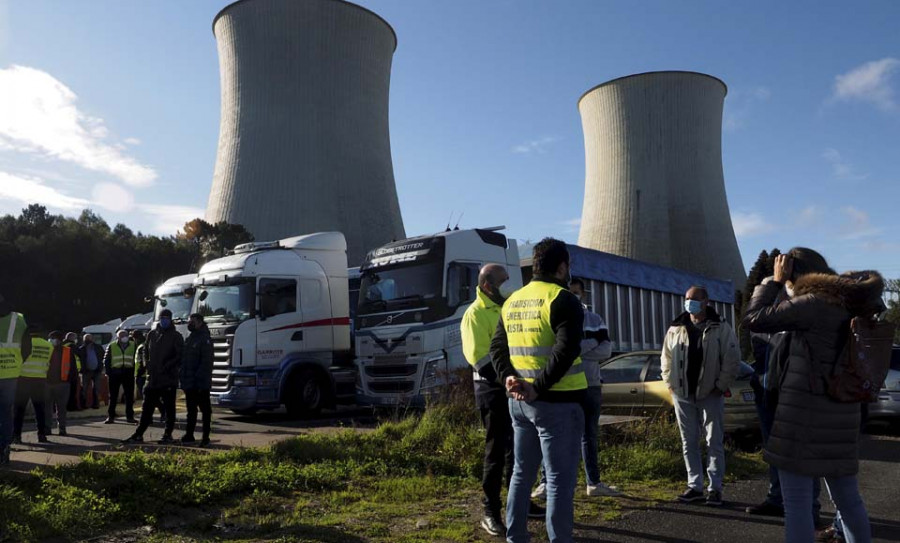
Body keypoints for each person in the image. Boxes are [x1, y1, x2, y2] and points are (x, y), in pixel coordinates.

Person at [744, 248, 881, 543]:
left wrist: (774, 283)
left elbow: (755, 318)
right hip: (842, 417)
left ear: (796, 274)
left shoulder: (813, 303)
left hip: (802, 420)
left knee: (797, 505)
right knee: (849, 500)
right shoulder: (850, 304)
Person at [490, 238, 586, 543]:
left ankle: (516, 537)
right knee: (558, 480)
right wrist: (538, 387)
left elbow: (497, 349)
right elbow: (565, 351)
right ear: (561, 267)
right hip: (557, 403)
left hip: (519, 403)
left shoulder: (513, 301)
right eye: (568, 266)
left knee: (521, 473)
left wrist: (507, 378)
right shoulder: (563, 299)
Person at [461, 264, 544, 536]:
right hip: (492, 390)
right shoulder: (474, 315)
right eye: (503, 281)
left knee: (517, 452)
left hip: (514, 388)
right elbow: (481, 361)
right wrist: (508, 380)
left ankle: (519, 504)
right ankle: (490, 512)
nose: (509, 286)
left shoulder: (507, 308)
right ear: (487, 286)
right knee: (496, 452)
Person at [744, 278, 827, 529]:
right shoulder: (762, 323)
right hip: (766, 392)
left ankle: (810, 509)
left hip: (792, 394)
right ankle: (776, 499)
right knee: (773, 451)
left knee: (801, 455)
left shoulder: (798, 318)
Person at [533, 278, 619, 500]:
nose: (573, 296)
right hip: (565, 384)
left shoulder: (594, 319)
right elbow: (556, 350)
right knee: (553, 436)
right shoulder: (555, 316)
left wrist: (575, 350)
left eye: (576, 292)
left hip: (590, 384)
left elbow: (607, 350)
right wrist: (589, 345)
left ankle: (593, 482)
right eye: (569, 292)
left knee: (589, 435)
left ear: (583, 294)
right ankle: (546, 483)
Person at [661, 285, 740, 506]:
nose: (689, 303)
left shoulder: (721, 328)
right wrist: (670, 383)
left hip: (710, 393)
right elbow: (666, 358)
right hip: (682, 393)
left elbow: (732, 358)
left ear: (706, 301)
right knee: (689, 442)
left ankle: (715, 489)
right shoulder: (676, 328)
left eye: (694, 299)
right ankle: (694, 485)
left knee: (713, 441)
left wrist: (720, 385)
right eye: (687, 299)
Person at [124, 309, 183, 444]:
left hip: (168, 378)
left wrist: (167, 366)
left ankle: (167, 434)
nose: (164, 320)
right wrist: (146, 363)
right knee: (147, 408)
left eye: (167, 318)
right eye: (162, 318)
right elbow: (145, 349)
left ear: (170, 319)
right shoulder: (152, 334)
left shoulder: (175, 336)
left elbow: (180, 355)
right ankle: (138, 434)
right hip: (152, 378)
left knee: (169, 408)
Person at [0, 294, 30, 465]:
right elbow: (27, 348)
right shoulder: (18, 319)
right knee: (5, 414)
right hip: (10, 374)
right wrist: (17, 363)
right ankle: (4, 451)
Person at [179, 314, 213, 447]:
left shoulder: (204, 339)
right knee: (191, 410)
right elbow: (185, 361)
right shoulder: (190, 338)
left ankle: (205, 437)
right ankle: (189, 435)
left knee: (205, 411)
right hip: (189, 383)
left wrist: (198, 381)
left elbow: (206, 362)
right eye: (189, 321)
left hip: (200, 384)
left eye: (192, 322)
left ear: (199, 322)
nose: (189, 324)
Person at [13, 329, 52, 444]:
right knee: (40, 409)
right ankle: (41, 435)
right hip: (40, 380)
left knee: (19, 410)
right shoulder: (48, 345)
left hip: (23, 379)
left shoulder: (23, 344)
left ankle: (16, 436)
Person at [45, 330, 76, 436]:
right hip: (50, 383)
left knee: (60, 408)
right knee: (49, 408)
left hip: (61, 383)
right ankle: (49, 428)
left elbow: (73, 369)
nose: (52, 340)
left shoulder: (67, 350)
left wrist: (71, 382)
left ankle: (61, 429)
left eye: (53, 338)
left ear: (60, 340)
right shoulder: (46, 350)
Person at [103, 329, 137, 424]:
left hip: (128, 373)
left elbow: (136, 358)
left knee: (129, 396)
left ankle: (130, 417)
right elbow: (106, 360)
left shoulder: (133, 345)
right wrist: (109, 372)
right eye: (122, 336)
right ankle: (111, 416)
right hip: (115, 374)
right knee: (113, 396)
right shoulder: (112, 345)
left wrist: (134, 371)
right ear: (118, 337)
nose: (124, 337)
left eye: (125, 335)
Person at [77, 334, 104, 409]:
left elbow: (103, 357)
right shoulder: (81, 349)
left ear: (92, 339)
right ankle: (83, 405)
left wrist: (101, 367)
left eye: (89, 338)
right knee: (84, 389)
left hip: (97, 371)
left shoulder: (98, 347)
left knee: (96, 388)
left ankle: (96, 404)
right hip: (86, 371)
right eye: (86, 339)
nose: (88, 340)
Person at [63, 332, 82, 411]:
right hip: (72, 371)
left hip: (64, 371)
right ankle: (72, 407)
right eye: (75, 338)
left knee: (65, 391)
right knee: (72, 391)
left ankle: (65, 406)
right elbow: (79, 356)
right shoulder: (72, 346)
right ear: (72, 338)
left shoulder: (62, 345)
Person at [133, 330, 146, 401]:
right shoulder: (144, 345)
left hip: (142, 375)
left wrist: (138, 373)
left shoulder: (141, 347)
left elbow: (142, 362)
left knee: (144, 395)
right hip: (144, 374)